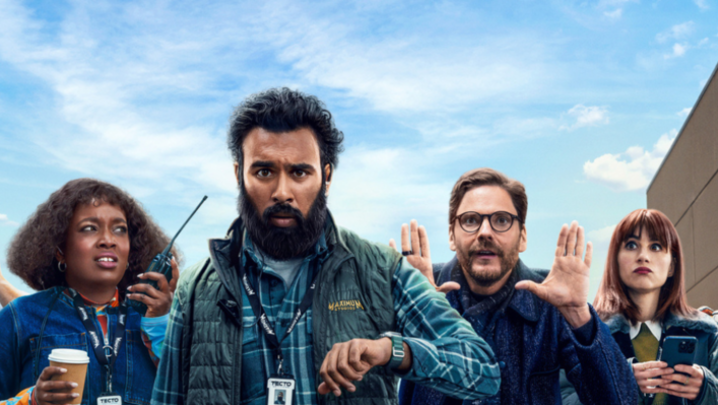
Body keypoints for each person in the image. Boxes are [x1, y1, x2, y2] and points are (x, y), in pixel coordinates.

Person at [152, 88, 501, 405]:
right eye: (263, 172)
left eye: (300, 172)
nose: (282, 191)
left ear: (327, 177)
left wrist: (389, 349)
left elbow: (483, 370)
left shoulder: (381, 269)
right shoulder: (196, 288)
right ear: (238, 174)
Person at [397, 167, 638, 405]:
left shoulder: (553, 300)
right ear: (452, 235)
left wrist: (578, 314)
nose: (485, 232)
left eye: (501, 220)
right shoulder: (419, 292)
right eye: (471, 220)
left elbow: (622, 400)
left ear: (522, 237)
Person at [0, 178, 180, 405]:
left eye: (119, 229)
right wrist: (32, 400)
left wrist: (161, 323)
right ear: (59, 250)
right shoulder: (20, 317)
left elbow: (190, 390)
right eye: (89, 228)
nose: (108, 240)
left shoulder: (159, 320)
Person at [561, 209, 718, 405]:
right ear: (615, 261)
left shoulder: (707, 333)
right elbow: (560, 399)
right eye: (632, 245)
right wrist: (620, 381)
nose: (643, 256)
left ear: (672, 266)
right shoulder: (585, 336)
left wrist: (706, 389)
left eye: (656, 246)